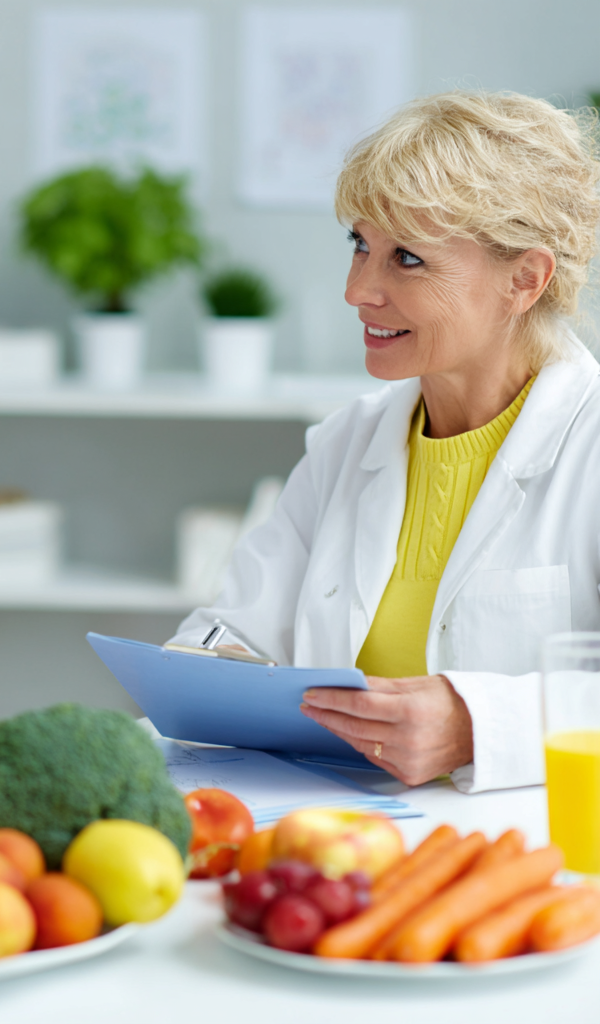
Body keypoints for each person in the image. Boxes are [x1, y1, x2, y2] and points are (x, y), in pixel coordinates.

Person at [171, 91, 600, 794]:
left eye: (406, 259)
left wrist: (475, 723)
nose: (359, 290)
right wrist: (201, 671)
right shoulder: (347, 442)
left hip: (534, 863)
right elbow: (233, 632)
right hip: (341, 848)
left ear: (524, 279)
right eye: (361, 246)